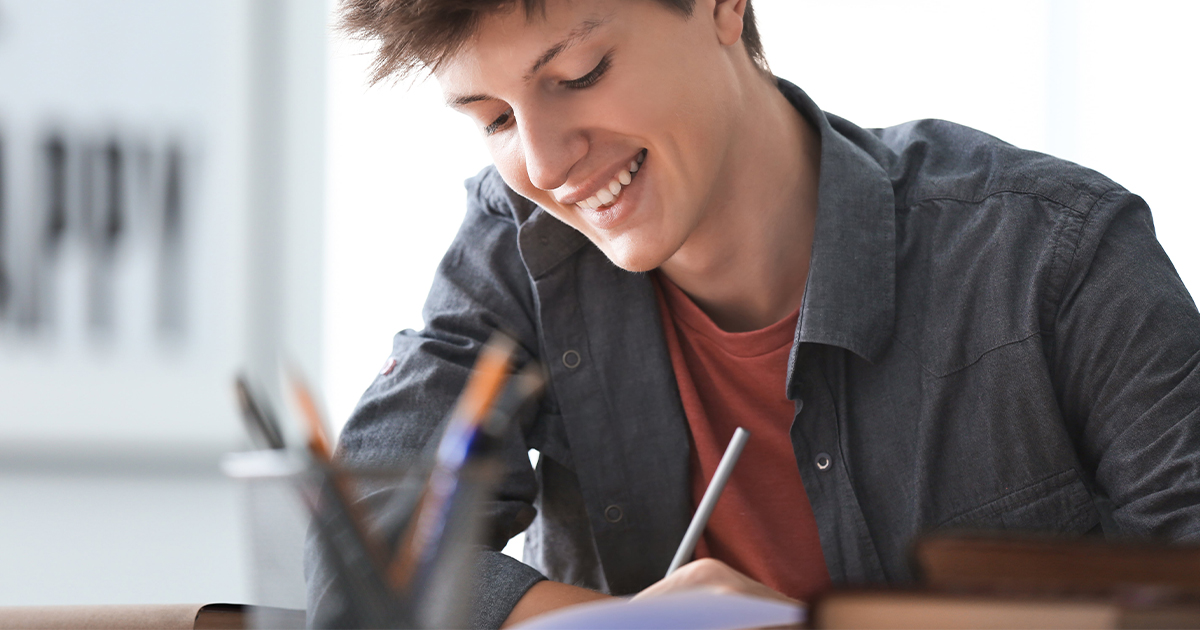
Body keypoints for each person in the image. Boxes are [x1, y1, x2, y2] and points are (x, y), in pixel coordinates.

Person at [309, 0, 1200, 628]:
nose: (544, 164)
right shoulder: (520, 249)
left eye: (579, 74)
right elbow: (359, 567)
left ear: (721, 5)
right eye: (494, 118)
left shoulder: (1056, 254)